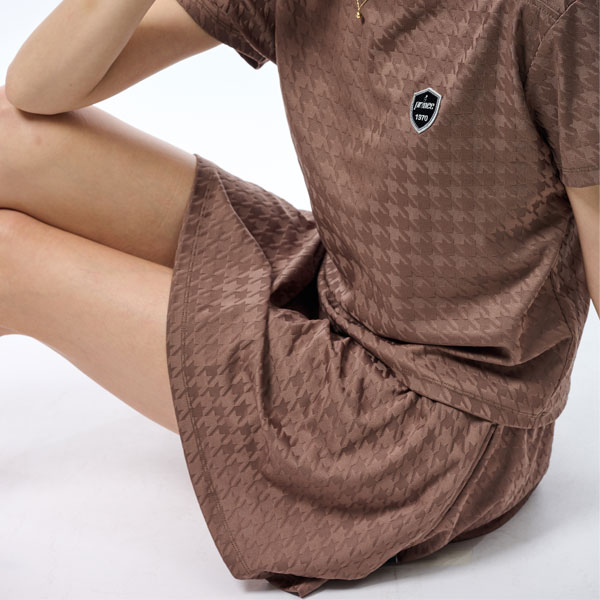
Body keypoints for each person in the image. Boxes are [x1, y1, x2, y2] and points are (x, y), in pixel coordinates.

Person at [1, 0, 598, 596]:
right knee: (10, 141)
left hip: (432, 416)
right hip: (332, 286)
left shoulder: (553, 13)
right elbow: (33, 92)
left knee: (10, 259)